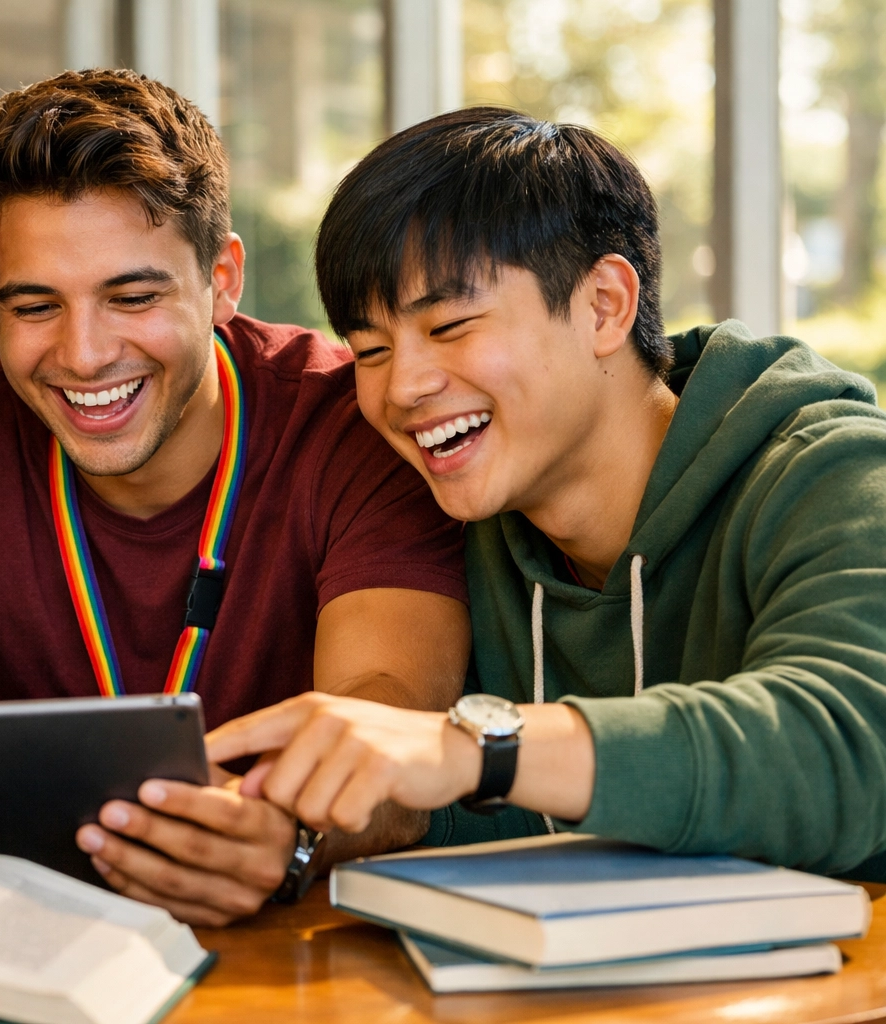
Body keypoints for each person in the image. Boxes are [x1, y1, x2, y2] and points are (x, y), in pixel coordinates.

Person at [209, 106, 886, 881]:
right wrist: (276, 835)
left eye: (452, 325)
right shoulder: (450, 529)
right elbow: (429, 811)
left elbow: (847, 749)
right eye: (370, 349)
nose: (403, 387)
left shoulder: (836, 475)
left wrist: (476, 749)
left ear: (604, 305)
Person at [0, 69, 471, 925]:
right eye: (35, 306)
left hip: (293, 944)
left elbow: (393, 714)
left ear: (223, 278)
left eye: (134, 296)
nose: (82, 355)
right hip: (23, 929)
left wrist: (286, 831)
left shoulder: (347, 421)